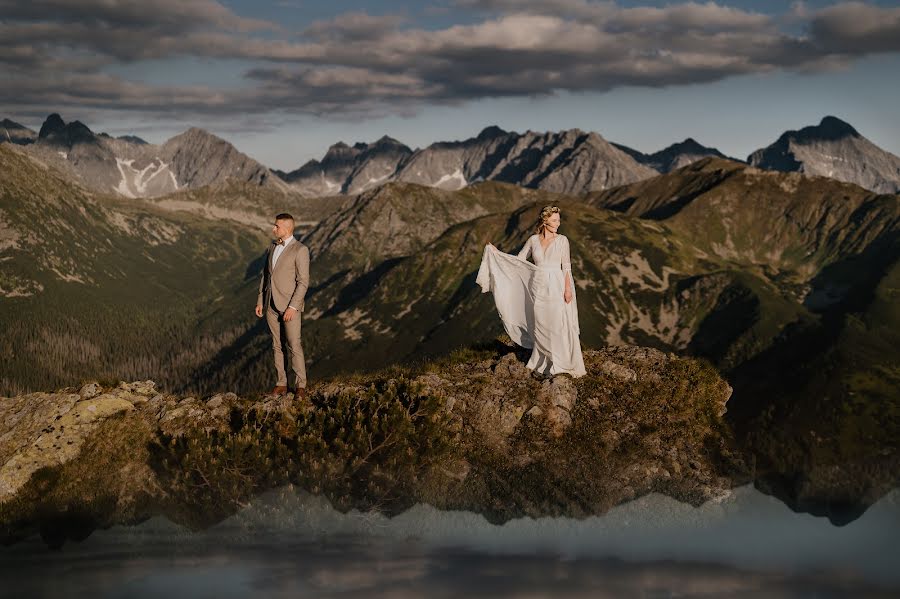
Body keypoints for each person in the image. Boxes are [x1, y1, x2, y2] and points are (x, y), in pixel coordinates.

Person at [476, 205, 586, 378]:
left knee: (557, 322)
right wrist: (498, 255)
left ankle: (560, 362)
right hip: (538, 286)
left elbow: (566, 267)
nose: (558, 223)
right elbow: (519, 261)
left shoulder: (562, 240)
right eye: (555, 220)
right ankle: (543, 359)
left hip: (557, 285)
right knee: (542, 323)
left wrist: (567, 289)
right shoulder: (533, 240)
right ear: (545, 221)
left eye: (558, 219)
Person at [256, 213, 311, 401]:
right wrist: (260, 300)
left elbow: (303, 282)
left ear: (287, 228)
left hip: (289, 307)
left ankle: (300, 386)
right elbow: (266, 275)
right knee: (276, 345)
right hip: (271, 303)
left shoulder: (300, 250)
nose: (273, 229)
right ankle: (281, 384)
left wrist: (293, 307)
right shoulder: (272, 246)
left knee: (294, 345)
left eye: (276, 226)